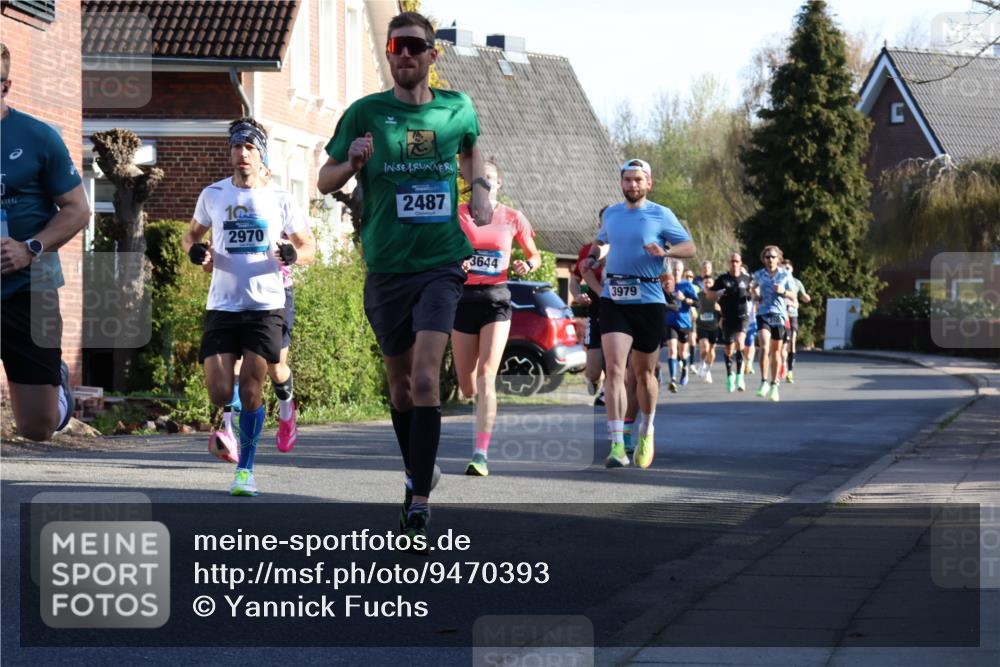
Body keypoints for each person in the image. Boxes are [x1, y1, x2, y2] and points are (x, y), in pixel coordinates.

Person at [317, 11, 492, 549]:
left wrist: (480, 186)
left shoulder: (456, 107)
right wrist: (351, 162)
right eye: (397, 47)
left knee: (422, 380)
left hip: (440, 264)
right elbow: (325, 181)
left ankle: (419, 500)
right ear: (390, 55)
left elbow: (470, 151)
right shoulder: (366, 113)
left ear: (432, 55)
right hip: (386, 267)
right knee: (398, 390)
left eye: (416, 46)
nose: (405, 54)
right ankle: (420, 470)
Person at [184, 117, 316, 495]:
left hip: (265, 305)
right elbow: (191, 236)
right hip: (222, 304)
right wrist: (196, 251)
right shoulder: (213, 195)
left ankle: (245, 470)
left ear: (262, 156)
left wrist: (292, 253)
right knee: (219, 391)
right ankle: (228, 423)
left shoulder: (280, 199)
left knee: (253, 387)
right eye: (236, 147)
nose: (241, 154)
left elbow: (309, 247)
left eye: (249, 148)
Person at [0, 42, 89, 442]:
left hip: (29, 289)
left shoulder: (38, 137)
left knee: (36, 428)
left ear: (7, 85)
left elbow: (77, 209)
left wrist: (29, 248)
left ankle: (58, 389)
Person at [580, 159, 695, 470]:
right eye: (627, 180)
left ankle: (646, 430)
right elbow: (601, 241)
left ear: (649, 183)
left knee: (644, 374)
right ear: (621, 183)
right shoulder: (614, 213)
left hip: (649, 299)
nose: (632, 185)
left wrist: (666, 252)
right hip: (615, 297)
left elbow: (689, 247)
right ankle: (617, 444)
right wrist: (592, 258)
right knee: (615, 370)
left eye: (637, 180)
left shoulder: (661, 214)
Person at [453, 159, 540, 477]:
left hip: (497, 301)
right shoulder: (459, 213)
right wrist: (455, 262)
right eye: (479, 178)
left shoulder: (513, 218)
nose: (484, 182)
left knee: (487, 375)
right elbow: (443, 248)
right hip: (463, 301)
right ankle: (478, 404)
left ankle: (480, 453)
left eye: (489, 178)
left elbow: (534, 255)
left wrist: (527, 266)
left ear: (499, 183)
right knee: (467, 385)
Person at [571, 207, 608, 405]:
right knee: (593, 371)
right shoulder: (587, 250)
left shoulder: (627, 247)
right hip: (595, 309)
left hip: (620, 310)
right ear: (599, 225)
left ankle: (609, 391)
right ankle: (596, 382)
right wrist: (578, 296)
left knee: (615, 358)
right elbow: (574, 280)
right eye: (606, 221)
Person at [751, 245, 797, 402]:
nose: (770, 259)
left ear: (779, 259)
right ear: (764, 259)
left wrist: (783, 291)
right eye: (767, 257)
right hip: (763, 313)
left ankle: (774, 384)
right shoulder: (758, 274)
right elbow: (752, 289)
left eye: (773, 257)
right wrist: (755, 295)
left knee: (776, 351)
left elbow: (794, 295)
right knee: (764, 347)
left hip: (778, 315)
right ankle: (764, 382)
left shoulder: (785, 274)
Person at [705, 253, 752, 393]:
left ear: (740, 262)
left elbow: (754, 292)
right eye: (732, 261)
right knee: (729, 350)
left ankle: (740, 376)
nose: (734, 263)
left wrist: (755, 293)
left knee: (740, 342)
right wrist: (719, 292)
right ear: (728, 262)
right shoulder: (722, 279)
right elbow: (709, 295)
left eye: (737, 261)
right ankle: (730, 376)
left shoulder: (746, 278)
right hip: (727, 318)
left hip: (742, 317)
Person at [661, 269, 697, 393]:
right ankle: (673, 379)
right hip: (670, 323)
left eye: (678, 270)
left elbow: (697, 303)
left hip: (684, 323)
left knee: (683, 352)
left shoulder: (687, 285)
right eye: (674, 270)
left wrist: (684, 299)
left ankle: (685, 368)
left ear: (681, 272)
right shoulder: (665, 285)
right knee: (672, 350)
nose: (676, 272)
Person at [782, 259, 811, 383]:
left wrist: (805, 297)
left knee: (792, 341)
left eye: (787, 268)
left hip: (792, 314)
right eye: (783, 268)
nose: (785, 270)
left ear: (792, 269)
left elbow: (805, 296)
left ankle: (790, 372)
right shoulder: (779, 281)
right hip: (781, 315)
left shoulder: (796, 283)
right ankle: (782, 364)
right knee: (782, 345)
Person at [695, 275, 721, 383]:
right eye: (705, 282)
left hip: (713, 327)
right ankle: (702, 364)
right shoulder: (698, 295)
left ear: (713, 284)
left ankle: (707, 370)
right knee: (704, 348)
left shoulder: (717, 296)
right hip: (701, 326)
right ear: (703, 284)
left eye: (710, 282)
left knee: (711, 351)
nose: (707, 284)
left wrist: (720, 309)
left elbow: (724, 309)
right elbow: (693, 305)